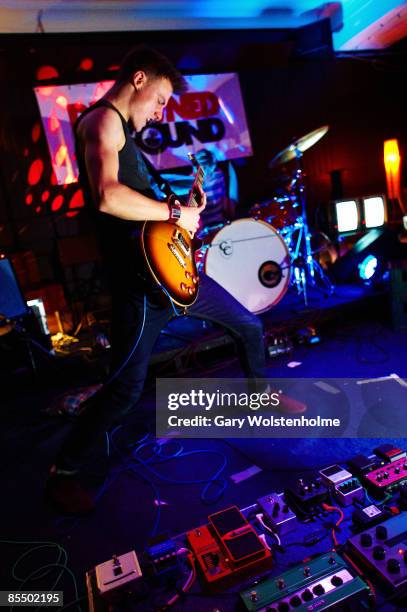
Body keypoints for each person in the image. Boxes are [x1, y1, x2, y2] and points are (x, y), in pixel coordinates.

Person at [46, 45, 305, 515]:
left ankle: (260, 399)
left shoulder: (129, 138)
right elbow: (107, 197)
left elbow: (155, 221)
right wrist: (175, 211)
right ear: (139, 79)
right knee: (124, 389)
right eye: (161, 99)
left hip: (174, 275)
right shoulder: (102, 122)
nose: (162, 111)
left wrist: (187, 209)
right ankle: (63, 470)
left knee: (248, 325)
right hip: (142, 288)